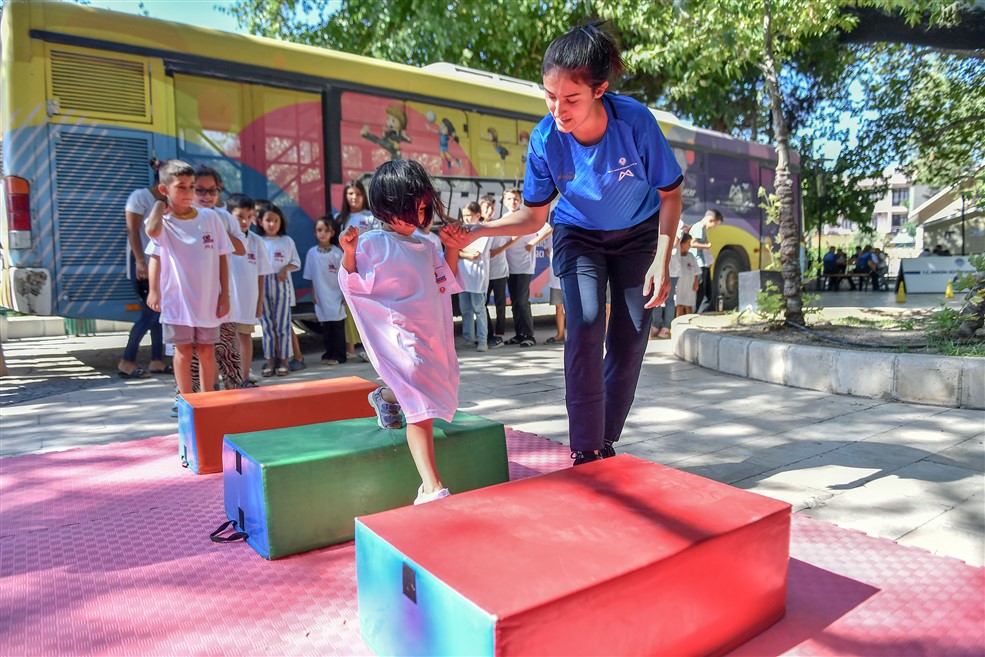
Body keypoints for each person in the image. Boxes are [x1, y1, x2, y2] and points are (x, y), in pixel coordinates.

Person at [462, 22, 683, 465]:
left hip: (640, 234)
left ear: (599, 89)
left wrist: (662, 257)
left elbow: (670, 192)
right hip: (578, 234)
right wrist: (480, 230)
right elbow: (534, 215)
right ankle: (585, 448)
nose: (558, 109)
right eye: (549, 96)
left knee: (631, 335)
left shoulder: (634, 121)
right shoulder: (545, 138)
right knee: (583, 321)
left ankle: (604, 436)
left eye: (570, 98)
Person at [338, 159, 468, 504]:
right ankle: (430, 486)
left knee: (427, 386)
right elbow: (353, 284)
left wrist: (452, 247)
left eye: (425, 209)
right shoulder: (372, 243)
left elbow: (446, 282)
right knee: (421, 405)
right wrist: (349, 253)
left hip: (429, 331)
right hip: (399, 334)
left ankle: (385, 396)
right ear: (388, 207)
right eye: (413, 209)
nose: (420, 217)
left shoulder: (426, 246)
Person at [144, 160, 233, 397]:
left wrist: (225, 293)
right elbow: (153, 244)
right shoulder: (162, 221)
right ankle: (186, 401)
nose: (189, 192)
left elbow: (223, 256)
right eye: (181, 187)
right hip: (177, 301)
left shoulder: (210, 218)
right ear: (165, 190)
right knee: (182, 351)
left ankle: (209, 400)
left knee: (206, 350)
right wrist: (154, 290)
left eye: (191, 186)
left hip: (207, 299)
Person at [118, 162, 168, 379]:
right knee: (148, 314)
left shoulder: (167, 202)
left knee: (159, 315)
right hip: (143, 264)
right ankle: (126, 361)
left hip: (160, 264)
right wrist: (140, 261)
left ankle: (156, 360)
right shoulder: (139, 197)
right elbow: (133, 231)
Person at [226, 193, 273, 384]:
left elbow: (262, 275)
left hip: (248, 300)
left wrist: (259, 301)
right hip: (227, 300)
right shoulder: (223, 238)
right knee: (227, 341)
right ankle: (230, 376)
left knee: (245, 337)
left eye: (249, 216)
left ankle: (244, 376)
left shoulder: (256, 242)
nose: (245, 221)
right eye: (239, 217)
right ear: (229, 216)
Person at [257, 203, 300, 377]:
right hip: (262, 283)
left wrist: (285, 269)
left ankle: (284, 360)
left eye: (276, 220)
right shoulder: (256, 240)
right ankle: (269, 360)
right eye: (268, 220)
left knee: (282, 324)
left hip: (281, 284)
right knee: (267, 325)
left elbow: (296, 262)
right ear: (260, 222)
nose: (272, 224)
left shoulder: (286, 241)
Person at [335, 180, 376, 361]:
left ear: (363, 196)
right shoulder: (339, 219)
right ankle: (353, 347)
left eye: (358, 194)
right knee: (352, 310)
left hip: (367, 270)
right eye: (350, 194)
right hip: (348, 270)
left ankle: (375, 350)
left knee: (372, 310)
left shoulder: (371, 217)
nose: (354, 197)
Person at [303, 216, 348, 365]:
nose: (322, 233)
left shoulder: (337, 253)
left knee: (337, 326)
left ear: (332, 233)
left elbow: (344, 275)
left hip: (336, 294)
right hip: (321, 295)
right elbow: (310, 276)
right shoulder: (312, 253)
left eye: (326, 230)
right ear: (315, 233)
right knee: (326, 326)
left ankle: (340, 355)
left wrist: (344, 295)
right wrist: (314, 294)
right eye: (319, 230)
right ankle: (329, 353)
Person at [500, 188, 537, 346]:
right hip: (510, 267)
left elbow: (548, 229)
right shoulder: (505, 218)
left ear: (520, 201)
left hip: (524, 266)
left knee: (522, 301)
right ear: (504, 201)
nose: (513, 202)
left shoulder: (525, 216)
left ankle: (529, 335)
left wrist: (531, 244)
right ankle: (519, 334)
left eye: (515, 199)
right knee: (515, 301)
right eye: (509, 199)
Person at [457, 202, 491, 351]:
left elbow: (475, 254)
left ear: (478, 215)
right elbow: (455, 250)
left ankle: (483, 340)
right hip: (463, 277)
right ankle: (468, 338)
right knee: (465, 309)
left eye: (469, 215)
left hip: (477, 278)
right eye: (464, 215)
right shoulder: (462, 230)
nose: (466, 218)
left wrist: (460, 251)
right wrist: (463, 251)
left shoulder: (483, 231)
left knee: (479, 308)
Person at [482, 195, 508, 348]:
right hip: (484, 273)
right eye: (486, 208)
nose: (489, 211)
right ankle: (488, 333)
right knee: (482, 303)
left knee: (500, 304)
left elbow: (512, 238)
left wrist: (499, 250)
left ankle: (499, 335)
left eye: (492, 208)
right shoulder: (478, 225)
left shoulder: (500, 225)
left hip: (499, 271)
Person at [690, 209, 722, 312]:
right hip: (699, 264)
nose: (713, 228)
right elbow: (692, 243)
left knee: (707, 294)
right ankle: (695, 314)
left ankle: (699, 314)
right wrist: (706, 246)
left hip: (704, 264)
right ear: (711, 220)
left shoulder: (701, 228)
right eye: (715, 225)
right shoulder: (699, 227)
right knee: (701, 293)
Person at [675, 233, 699, 316]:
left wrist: (696, 283)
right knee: (679, 305)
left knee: (689, 305)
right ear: (681, 244)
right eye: (688, 243)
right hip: (679, 286)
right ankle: (678, 323)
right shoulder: (676, 257)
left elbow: (696, 271)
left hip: (690, 286)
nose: (690, 245)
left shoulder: (691, 256)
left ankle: (689, 322)